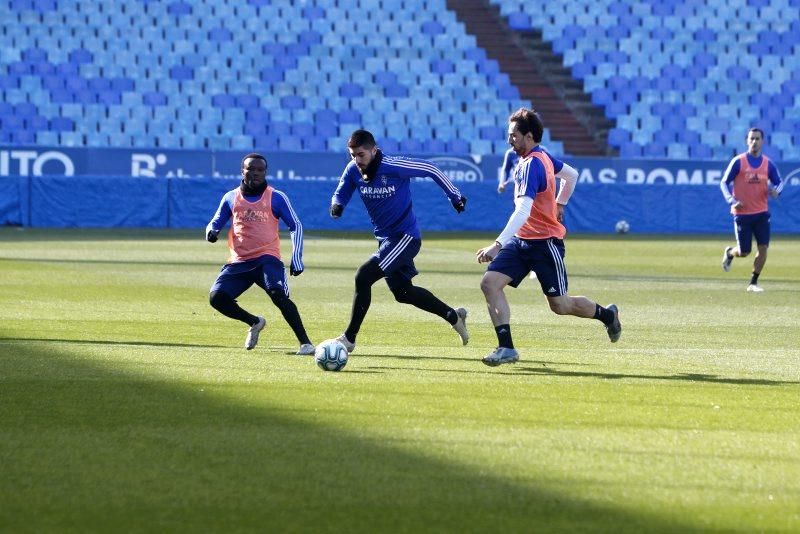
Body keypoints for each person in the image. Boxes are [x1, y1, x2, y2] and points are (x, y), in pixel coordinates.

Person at [475, 108, 619, 366]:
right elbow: (571, 175)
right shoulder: (541, 157)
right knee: (489, 283)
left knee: (560, 306)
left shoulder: (533, 164)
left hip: (545, 244)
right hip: (522, 241)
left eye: (514, 135)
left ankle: (607, 316)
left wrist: (497, 244)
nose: (510, 140)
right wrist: (561, 203)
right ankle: (506, 348)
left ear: (529, 136)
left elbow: (523, 209)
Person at [329, 129, 469, 352]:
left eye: (361, 154)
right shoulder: (353, 170)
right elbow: (342, 191)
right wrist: (337, 205)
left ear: (374, 150)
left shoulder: (393, 166)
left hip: (405, 237)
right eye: (352, 155)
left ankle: (349, 338)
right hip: (386, 240)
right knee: (404, 293)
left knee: (363, 276)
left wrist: (455, 196)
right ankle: (454, 316)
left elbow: (431, 169)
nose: (356, 160)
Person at [206, 153, 314, 353]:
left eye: (259, 170)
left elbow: (296, 226)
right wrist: (211, 232)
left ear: (265, 172)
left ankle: (305, 343)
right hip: (239, 261)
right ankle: (254, 322)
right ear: (242, 170)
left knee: (278, 295)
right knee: (216, 298)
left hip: (267, 259)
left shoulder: (276, 197)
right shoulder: (231, 197)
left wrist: (296, 259)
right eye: (250, 169)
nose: (255, 173)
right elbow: (215, 221)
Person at [719, 128, 784, 292]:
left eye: (757, 139)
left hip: (761, 213)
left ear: (763, 141)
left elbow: (779, 182)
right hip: (742, 214)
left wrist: (777, 191)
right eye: (751, 139)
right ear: (747, 141)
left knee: (763, 248)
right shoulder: (738, 161)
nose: (754, 142)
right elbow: (724, 183)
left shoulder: (768, 164)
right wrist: (731, 200)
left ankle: (753, 282)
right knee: (744, 251)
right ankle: (730, 253)